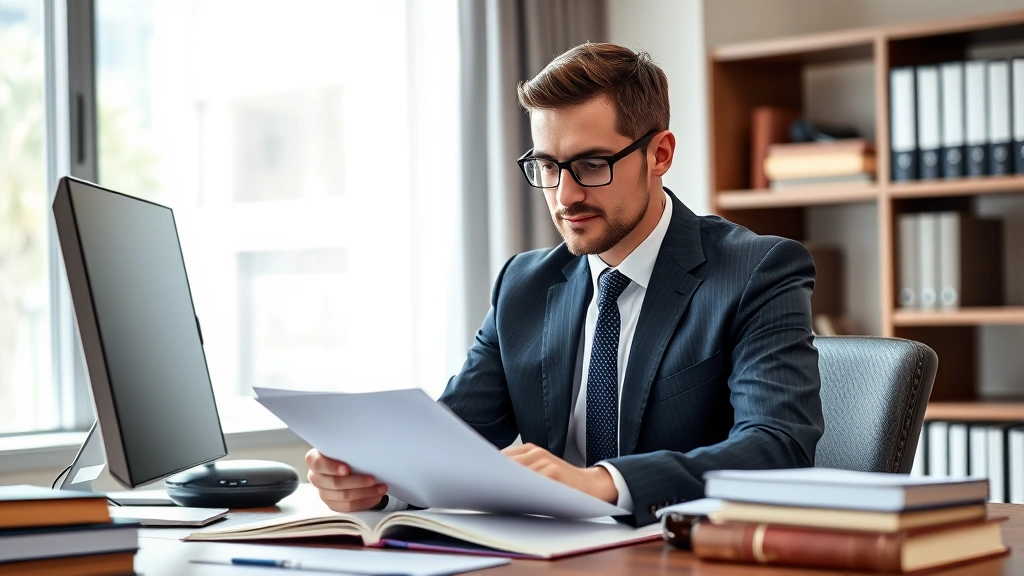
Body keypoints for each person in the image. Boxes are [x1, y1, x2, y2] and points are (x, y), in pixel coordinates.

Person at [307, 43, 824, 527]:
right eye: (547, 166)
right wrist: (374, 482)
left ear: (660, 154)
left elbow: (778, 446)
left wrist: (601, 483)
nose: (565, 195)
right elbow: (453, 442)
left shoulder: (756, 271)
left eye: (591, 165)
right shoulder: (523, 286)